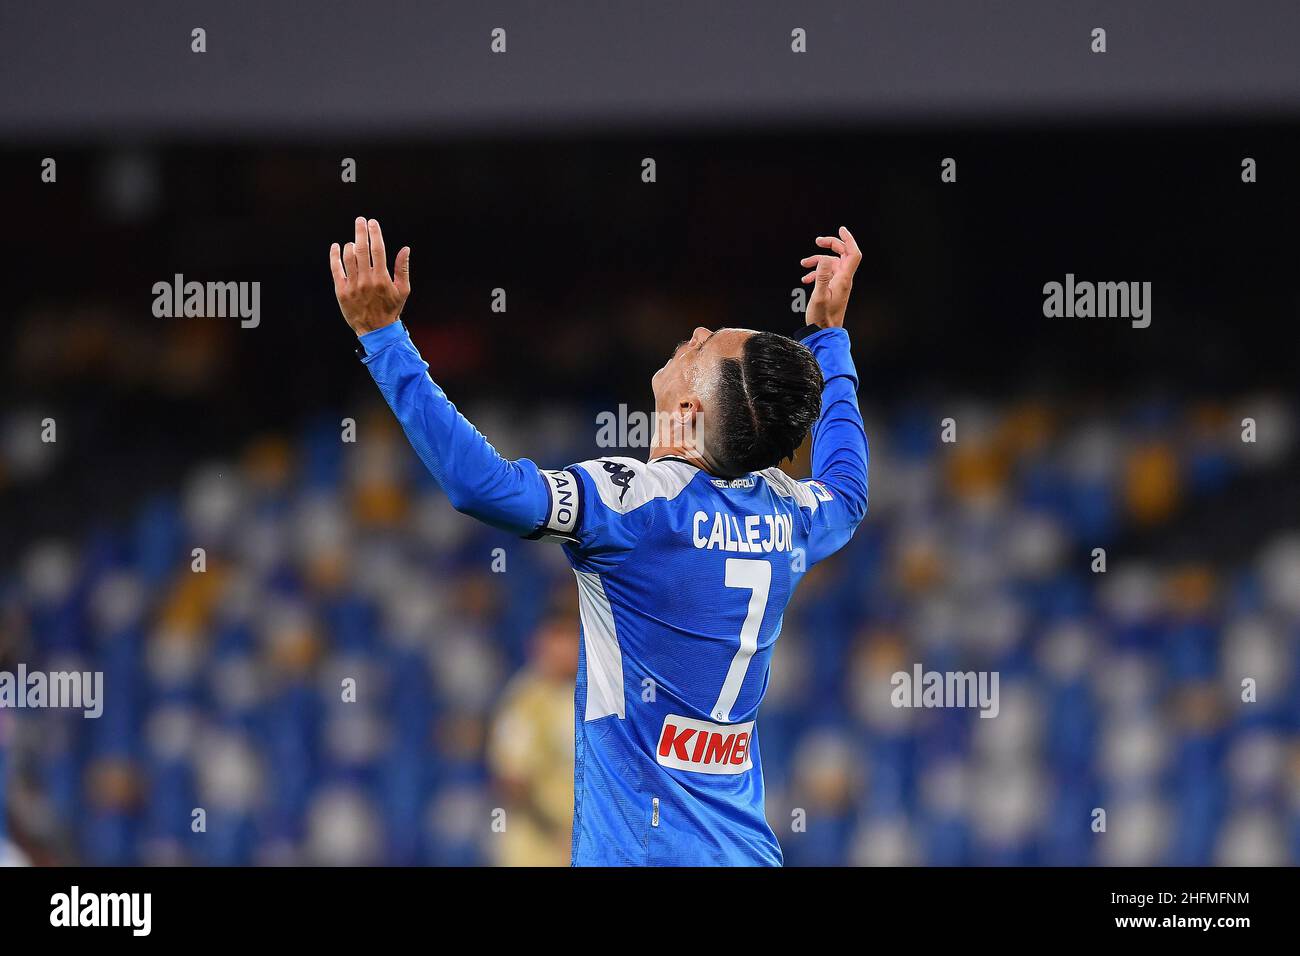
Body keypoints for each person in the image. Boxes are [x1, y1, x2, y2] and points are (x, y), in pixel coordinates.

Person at [329, 217, 868, 865]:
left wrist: (385, 339)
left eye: (703, 348)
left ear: (691, 414)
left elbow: (483, 487)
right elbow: (848, 490)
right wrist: (830, 340)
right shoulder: (789, 514)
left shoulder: (633, 501)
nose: (693, 334)